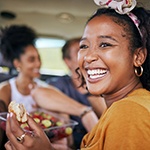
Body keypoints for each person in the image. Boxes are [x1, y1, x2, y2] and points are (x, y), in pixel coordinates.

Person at [4, 0, 150, 149]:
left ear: (138, 56)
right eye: (84, 46)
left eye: (105, 44)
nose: (88, 56)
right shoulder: (120, 108)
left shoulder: (130, 111)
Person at [0, 25, 98, 149]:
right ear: (17, 63)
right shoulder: (6, 89)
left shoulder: (46, 89)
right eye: (32, 60)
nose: (38, 64)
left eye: (39, 59)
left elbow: (64, 122)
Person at [46, 37, 106, 149]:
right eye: (81, 50)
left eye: (88, 49)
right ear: (67, 61)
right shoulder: (59, 84)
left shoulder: (102, 86)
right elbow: (39, 93)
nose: (87, 55)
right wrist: (85, 112)